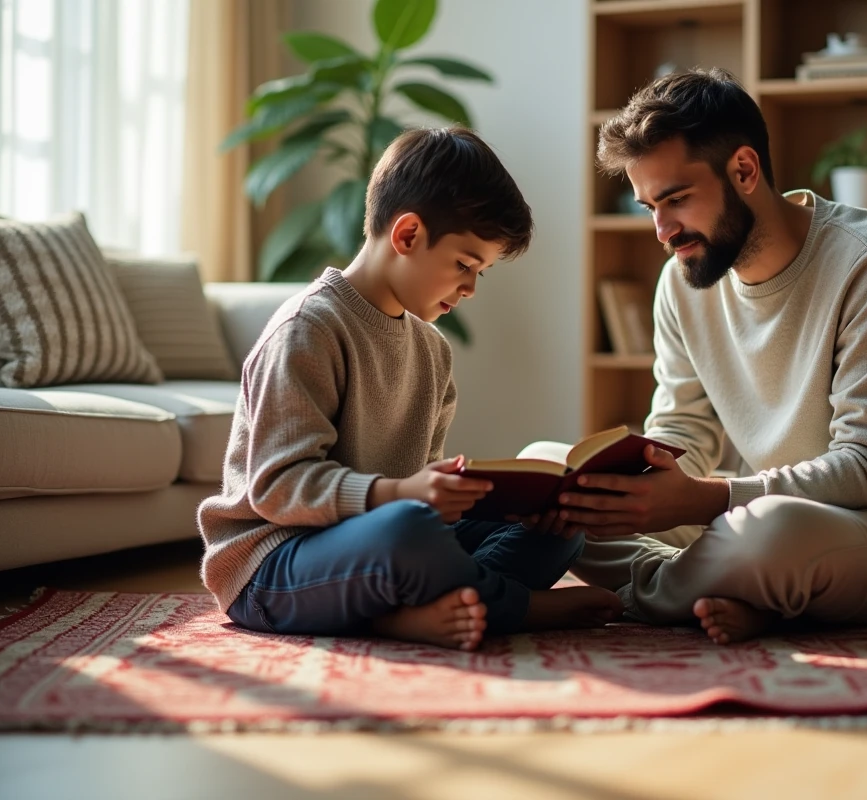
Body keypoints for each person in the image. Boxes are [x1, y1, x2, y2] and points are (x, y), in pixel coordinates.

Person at [555, 69, 867, 644]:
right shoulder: (681, 281)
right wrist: (642, 486)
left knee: (767, 533)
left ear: (744, 170)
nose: (662, 231)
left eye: (677, 199)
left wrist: (709, 499)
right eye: (648, 207)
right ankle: (731, 591)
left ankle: (654, 594)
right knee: (553, 470)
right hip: (752, 513)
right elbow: (684, 428)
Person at [198, 128, 624, 651]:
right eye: (464, 265)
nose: (469, 288)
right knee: (407, 534)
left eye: (480, 274)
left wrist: (503, 505)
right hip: (274, 563)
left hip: (377, 545)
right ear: (407, 236)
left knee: (560, 533)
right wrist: (400, 495)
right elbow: (277, 487)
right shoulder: (308, 329)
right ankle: (514, 608)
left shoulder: (432, 350)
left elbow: (423, 500)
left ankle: (425, 609)